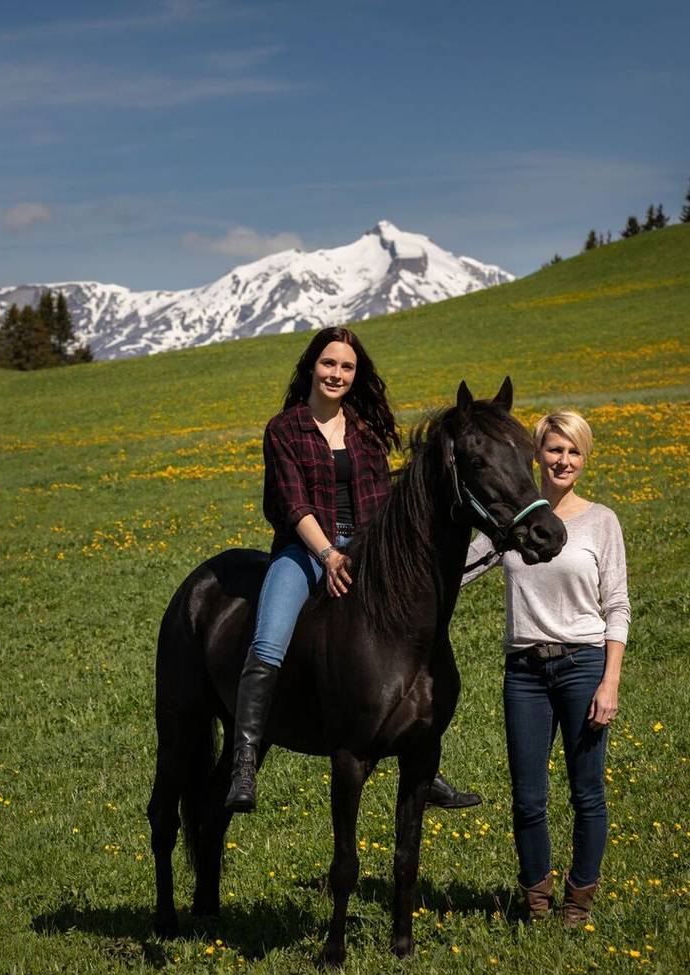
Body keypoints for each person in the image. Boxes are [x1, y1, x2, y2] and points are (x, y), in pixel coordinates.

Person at [224, 326, 482, 813]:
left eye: (346, 367)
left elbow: (384, 503)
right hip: (304, 550)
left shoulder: (365, 433)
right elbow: (293, 501)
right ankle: (243, 759)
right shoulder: (285, 429)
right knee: (269, 637)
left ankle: (423, 761)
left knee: (412, 634)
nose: (336, 374)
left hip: (365, 549)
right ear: (311, 367)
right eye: (328, 364)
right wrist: (328, 555)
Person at [462, 409, 629, 925]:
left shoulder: (601, 521)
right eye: (555, 449)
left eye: (573, 451)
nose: (563, 460)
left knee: (587, 792)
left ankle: (578, 902)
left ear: (585, 458)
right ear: (536, 454)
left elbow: (617, 604)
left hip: (583, 666)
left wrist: (610, 681)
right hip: (525, 672)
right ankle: (537, 901)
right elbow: (457, 571)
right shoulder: (512, 523)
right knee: (528, 796)